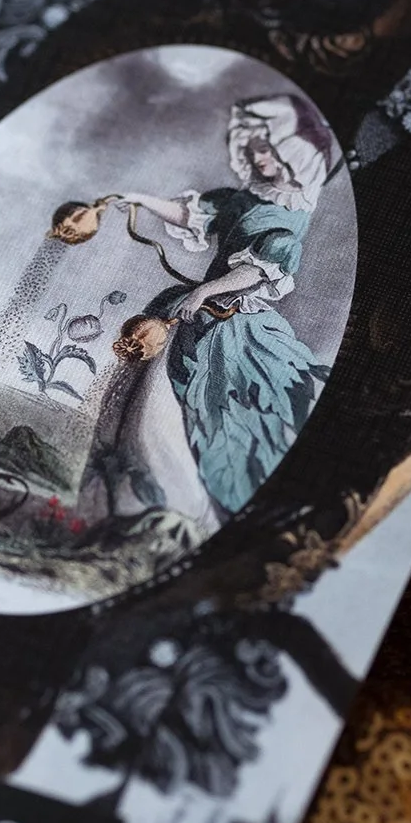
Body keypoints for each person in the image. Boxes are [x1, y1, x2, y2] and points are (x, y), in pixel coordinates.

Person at [76, 93, 336, 531]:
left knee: (206, 415)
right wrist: (137, 198)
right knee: (137, 401)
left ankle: (194, 510)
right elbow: (188, 213)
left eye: (268, 151)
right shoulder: (245, 199)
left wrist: (211, 289)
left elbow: (259, 269)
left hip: (232, 324)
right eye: (254, 148)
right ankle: (121, 503)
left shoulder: (292, 217)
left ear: (296, 159)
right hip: (193, 309)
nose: (258, 158)